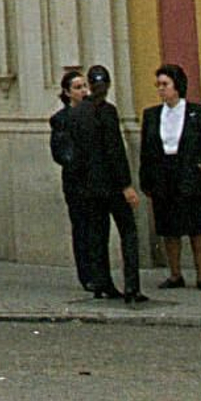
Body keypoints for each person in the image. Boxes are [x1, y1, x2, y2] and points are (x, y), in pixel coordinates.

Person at [70, 64, 147, 305]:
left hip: (90, 186)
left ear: (89, 86)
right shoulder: (108, 111)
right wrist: (126, 185)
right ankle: (132, 286)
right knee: (128, 232)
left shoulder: (77, 113)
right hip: (112, 185)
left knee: (97, 235)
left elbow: (76, 154)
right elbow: (115, 150)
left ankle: (102, 283)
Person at [139, 63, 201, 291]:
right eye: (158, 85)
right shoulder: (152, 115)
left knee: (198, 228)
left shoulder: (198, 113)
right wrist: (147, 179)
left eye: (165, 84)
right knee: (169, 229)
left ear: (177, 86)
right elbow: (146, 150)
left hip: (192, 175)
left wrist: (200, 164)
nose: (161, 89)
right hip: (164, 175)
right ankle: (175, 274)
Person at [48, 67, 93, 294]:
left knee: (97, 227)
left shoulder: (95, 113)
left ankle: (100, 271)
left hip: (97, 180)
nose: (83, 91)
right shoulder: (60, 120)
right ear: (67, 93)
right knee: (82, 227)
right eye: (77, 87)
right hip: (77, 181)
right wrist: (80, 162)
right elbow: (61, 153)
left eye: (84, 86)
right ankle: (87, 275)